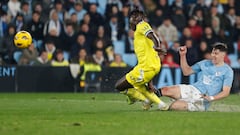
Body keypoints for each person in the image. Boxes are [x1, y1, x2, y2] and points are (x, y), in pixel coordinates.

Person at [115, 7, 168, 110]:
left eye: (135, 17)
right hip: (150, 67)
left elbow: (153, 36)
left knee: (119, 86)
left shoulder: (142, 25)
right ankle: (161, 104)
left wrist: (158, 46)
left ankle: (144, 100)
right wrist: (150, 82)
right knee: (140, 86)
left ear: (140, 18)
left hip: (147, 67)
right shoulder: (139, 36)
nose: (133, 20)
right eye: (132, 17)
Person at [154, 43, 234, 111]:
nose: (213, 55)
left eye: (216, 53)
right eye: (212, 53)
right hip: (192, 89)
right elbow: (186, 71)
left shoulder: (228, 71)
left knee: (175, 106)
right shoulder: (205, 63)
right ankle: (146, 100)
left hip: (202, 100)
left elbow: (226, 92)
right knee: (166, 90)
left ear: (223, 55)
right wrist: (183, 55)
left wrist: (211, 98)